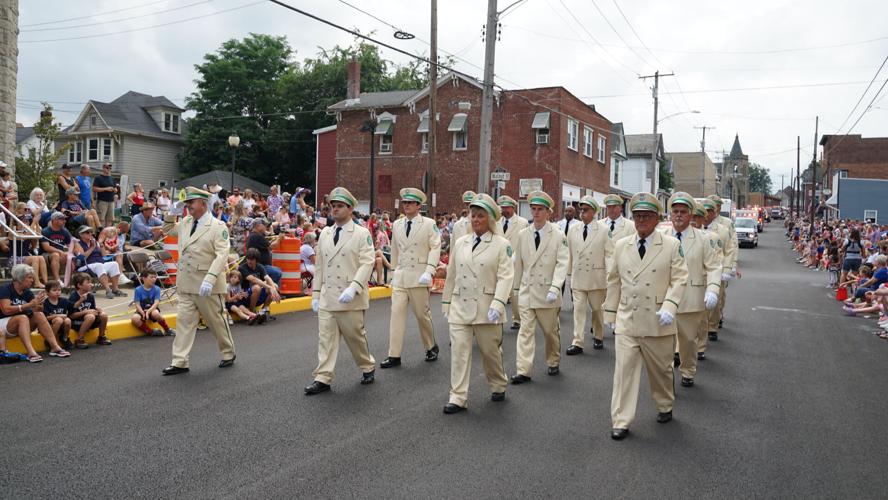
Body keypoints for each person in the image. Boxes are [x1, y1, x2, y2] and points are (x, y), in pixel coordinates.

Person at [603, 192, 688, 440]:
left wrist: (670, 307)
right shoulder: (622, 245)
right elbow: (614, 281)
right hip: (628, 319)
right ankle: (621, 420)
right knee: (623, 372)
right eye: (637, 216)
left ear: (657, 219)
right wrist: (610, 311)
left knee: (661, 371)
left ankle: (664, 404)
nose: (641, 221)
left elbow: (680, 278)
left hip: (658, 320)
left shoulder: (671, 245)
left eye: (646, 216)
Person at [440, 193, 514, 413]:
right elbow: (452, 274)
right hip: (461, 306)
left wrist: (498, 304)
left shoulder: (502, 245)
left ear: (490, 218)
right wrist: (446, 302)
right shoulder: (461, 242)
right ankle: (458, 396)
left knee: (490, 352)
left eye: (480, 216)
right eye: (473, 215)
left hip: (487, 308)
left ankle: (498, 383)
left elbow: (506, 277)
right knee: (460, 352)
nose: (475, 220)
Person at [304, 187, 377, 395]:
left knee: (355, 337)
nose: (334, 210)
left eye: (339, 206)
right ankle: (323, 377)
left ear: (350, 208)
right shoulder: (326, 233)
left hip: (349, 297)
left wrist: (354, 288)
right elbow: (320, 266)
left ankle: (367, 365)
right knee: (325, 338)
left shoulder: (362, 234)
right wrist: (316, 294)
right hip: (329, 296)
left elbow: (367, 263)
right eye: (332, 206)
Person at [161, 187, 236, 375]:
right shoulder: (186, 222)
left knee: (216, 321)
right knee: (184, 323)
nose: (188, 207)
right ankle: (180, 361)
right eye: (186, 204)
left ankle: (228, 352)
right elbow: (168, 230)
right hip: (186, 283)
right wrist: (172, 212)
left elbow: (222, 254)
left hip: (206, 285)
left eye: (190, 203)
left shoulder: (217, 226)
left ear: (203, 204)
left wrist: (210, 279)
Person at [510, 190, 569, 384]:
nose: (535, 213)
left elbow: (562, 263)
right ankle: (523, 370)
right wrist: (515, 288)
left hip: (547, 293)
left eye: (540, 209)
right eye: (533, 209)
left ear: (548, 212)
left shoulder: (558, 235)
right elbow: (518, 263)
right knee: (525, 331)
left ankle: (553, 360)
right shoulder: (523, 234)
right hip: (528, 290)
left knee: (550, 332)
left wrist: (555, 287)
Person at [380, 188, 441, 369]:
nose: (406, 206)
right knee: (396, 315)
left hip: (419, 275)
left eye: (410, 203)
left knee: (422, 316)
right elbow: (396, 250)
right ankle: (394, 354)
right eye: (404, 203)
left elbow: (435, 247)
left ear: (418, 205)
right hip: (401, 276)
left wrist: (429, 271)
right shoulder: (398, 224)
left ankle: (430, 346)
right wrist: (393, 272)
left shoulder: (429, 224)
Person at [663, 193, 720, 388]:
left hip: (691, 299)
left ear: (690, 215)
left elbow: (713, 266)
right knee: (665, 344)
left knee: (687, 341)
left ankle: (688, 370)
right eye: (675, 211)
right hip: (665, 300)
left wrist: (712, 289)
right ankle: (667, 375)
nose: (678, 215)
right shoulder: (661, 238)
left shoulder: (703, 239)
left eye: (683, 212)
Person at [0, 264, 71, 362]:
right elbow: (6, 310)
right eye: (29, 278)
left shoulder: (27, 291)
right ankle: (31, 353)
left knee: (39, 315)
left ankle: (54, 347)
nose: (32, 280)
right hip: (3, 324)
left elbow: (35, 310)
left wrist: (39, 305)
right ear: (20, 278)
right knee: (22, 318)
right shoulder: (5, 289)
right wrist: (29, 305)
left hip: (21, 324)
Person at [566, 195, 609, 354]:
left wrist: (610, 277)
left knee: (597, 310)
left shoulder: (604, 230)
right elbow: (569, 253)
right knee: (578, 310)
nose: (582, 213)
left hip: (596, 278)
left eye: (586, 210)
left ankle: (599, 335)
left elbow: (609, 255)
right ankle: (577, 342)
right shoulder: (573, 230)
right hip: (578, 277)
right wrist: (569, 274)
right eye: (581, 210)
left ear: (594, 212)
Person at [703, 197, 737, 343]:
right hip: (699, 270)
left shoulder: (724, 227)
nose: (708, 213)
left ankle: (712, 327)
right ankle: (701, 329)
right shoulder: (695, 226)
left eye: (713, 209)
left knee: (717, 300)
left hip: (717, 269)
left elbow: (731, 248)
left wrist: (729, 268)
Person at [497, 195, 529, 331]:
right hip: (499, 262)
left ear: (513, 207)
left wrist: (519, 257)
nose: (504, 210)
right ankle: (496, 317)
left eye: (507, 208)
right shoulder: (496, 222)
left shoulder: (522, 222)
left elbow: (526, 242)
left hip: (515, 262)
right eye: (503, 208)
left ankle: (518, 318)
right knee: (497, 292)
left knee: (515, 294)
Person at [73, 226, 126, 299]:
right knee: (99, 265)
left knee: (114, 264)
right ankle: (108, 290)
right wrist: (92, 247)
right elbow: (83, 258)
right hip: (85, 265)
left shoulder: (95, 242)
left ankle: (115, 289)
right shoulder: (78, 243)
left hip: (99, 264)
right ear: (81, 235)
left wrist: (101, 246)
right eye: (87, 232)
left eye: (91, 232)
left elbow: (104, 256)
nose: (90, 234)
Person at [68, 272, 110, 349]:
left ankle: (101, 336)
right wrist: (85, 310)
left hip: (90, 321)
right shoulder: (73, 296)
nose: (91, 284)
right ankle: (79, 339)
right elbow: (71, 315)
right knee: (90, 316)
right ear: (79, 285)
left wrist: (97, 310)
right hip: (77, 322)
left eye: (91, 282)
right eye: (88, 283)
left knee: (103, 315)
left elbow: (92, 309)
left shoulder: (90, 296)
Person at [238, 247, 281, 317]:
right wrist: (270, 287)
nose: (249, 261)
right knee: (257, 287)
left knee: (275, 286)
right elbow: (253, 280)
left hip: (257, 295)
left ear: (256, 260)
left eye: (251, 259)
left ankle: (263, 311)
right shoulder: (242, 268)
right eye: (247, 259)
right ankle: (252, 311)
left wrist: (273, 289)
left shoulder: (259, 267)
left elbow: (267, 278)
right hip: (245, 296)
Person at [131, 270, 174, 337]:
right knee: (134, 318)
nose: (154, 279)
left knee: (155, 313)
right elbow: (137, 304)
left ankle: (167, 329)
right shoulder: (138, 289)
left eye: (155, 277)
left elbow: (156, 303)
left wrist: (148, 312)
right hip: (142, 310)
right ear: (144, 278)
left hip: (152, 309)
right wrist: (142, 313)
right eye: (151, 277)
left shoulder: (157, 289)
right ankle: (150, 332)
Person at [600, 194, 635, 273]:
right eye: (609, 207)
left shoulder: (631, 226)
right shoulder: (598, 225)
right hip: (602, 269)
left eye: (614, 207)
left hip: (622, 269)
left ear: (621, 208)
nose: (611, 209)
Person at [245, 219, 283, 285]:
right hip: (260, 266)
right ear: (258, 226)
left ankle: (270, 289)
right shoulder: (257, 236)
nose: (266, 227)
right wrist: (279, 238)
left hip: (259, 265)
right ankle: (270, 290)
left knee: (277, 270)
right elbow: (272, 247)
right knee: (277, 272)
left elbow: (266, 245)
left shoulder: (254, 235)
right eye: (264, 225)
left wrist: (274, 239)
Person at [40, 212, 72, 282]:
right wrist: (60, 251)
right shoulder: (45, 231)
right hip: (45, 255)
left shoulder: (65, 231)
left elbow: (70, 245)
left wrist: (69, 252)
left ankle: (69, 279)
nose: (64, 221)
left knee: (70, 255)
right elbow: (46, 247)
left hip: (60, 254)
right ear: (55, 220)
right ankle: (57, 279)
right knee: (55, 255)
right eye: (62, 219)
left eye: (64, 219)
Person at [43, 280, 73, 350]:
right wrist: (58, 315)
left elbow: (74, 306)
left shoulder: (64, 301)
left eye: (59, 290)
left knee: (68, 320)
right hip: (49, 325)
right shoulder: (45, 303)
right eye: (54, 290)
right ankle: (50, 340)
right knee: (59, 320)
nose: (57, 292)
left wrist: (81, 300)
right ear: (47, 292)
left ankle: (65, 338)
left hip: (62, 325)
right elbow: (46, 318)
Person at [93, 163, 116, 227]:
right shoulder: (98, 178)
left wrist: (115, 190)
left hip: (111, 201)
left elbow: (115, 188)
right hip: (102, 201)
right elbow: (94, 189)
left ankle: (107, 234)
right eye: (107, 168)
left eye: (110, 168)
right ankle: (101, 234)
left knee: (110, 219)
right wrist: (106, 189)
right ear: (103, 168)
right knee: (101, 219)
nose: (108, 169)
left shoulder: (112, 178)